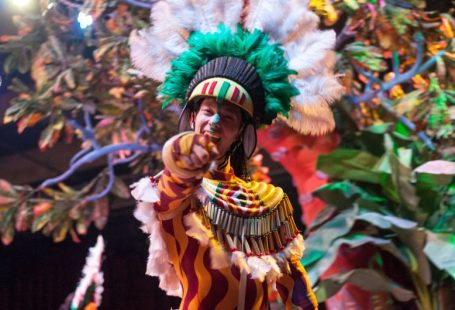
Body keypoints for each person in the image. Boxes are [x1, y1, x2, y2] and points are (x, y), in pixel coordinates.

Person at [129, 2, 342, 309]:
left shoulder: (267, 203)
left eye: (228, 117)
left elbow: (293, 282)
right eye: (208, 111)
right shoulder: (176, 186)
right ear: (192, 118)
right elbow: (170, 190)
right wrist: (188, 161)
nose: (215, 122)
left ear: (241, 132)